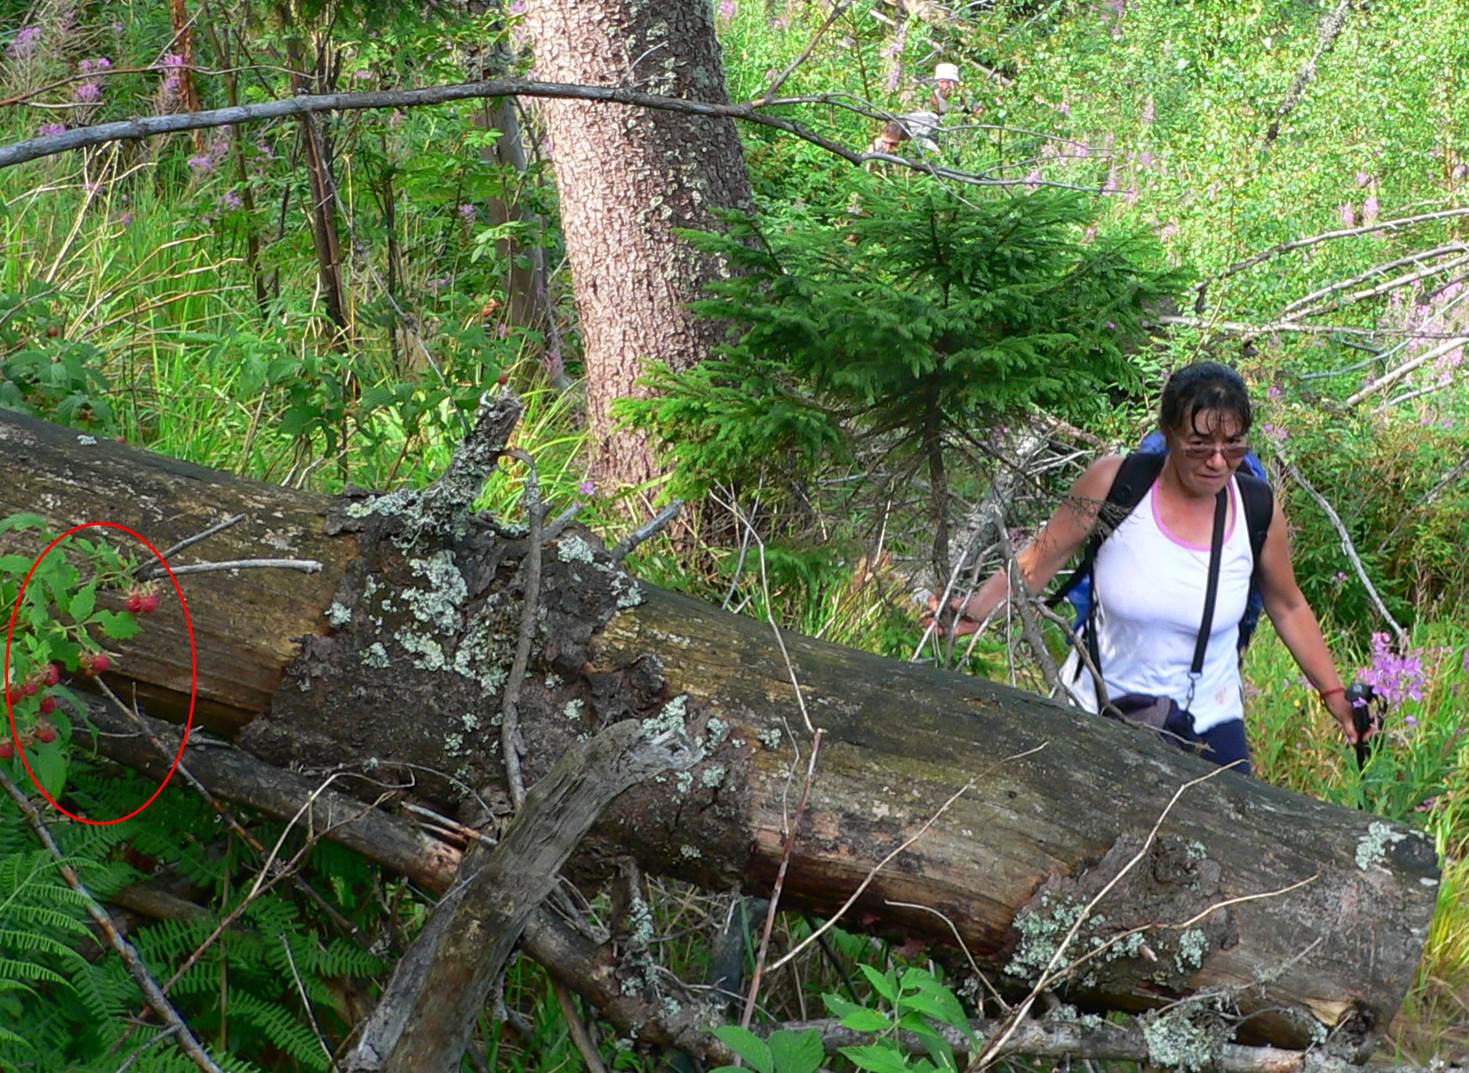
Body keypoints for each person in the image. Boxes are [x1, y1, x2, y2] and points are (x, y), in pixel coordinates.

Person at [926, 361, 1359, 776]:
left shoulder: (1256, 508)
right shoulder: (1115, 484)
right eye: (1199, 445)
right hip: (1097, 708)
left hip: (1210, 722)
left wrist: (1334, 695)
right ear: (1167, 433)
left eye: (1234, 446)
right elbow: (1039, 560)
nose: (1217, 461)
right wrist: (974, 612)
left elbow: (1287, 606)